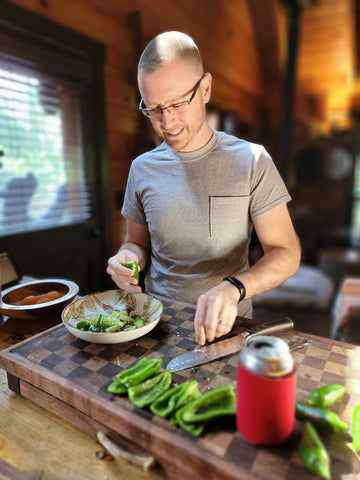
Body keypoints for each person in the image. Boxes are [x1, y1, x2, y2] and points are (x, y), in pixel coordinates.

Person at [107, 31, 301, 346]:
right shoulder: (141, 168)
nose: (166, 122)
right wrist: (125, 260)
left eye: (177, 104)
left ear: (205, 88)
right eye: (153, 109)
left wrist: (235, 286)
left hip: (230, 326)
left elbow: (286, 252)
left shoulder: (252, 160)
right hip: (155, 323)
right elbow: (136, 244)